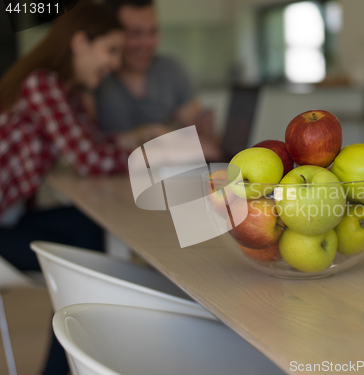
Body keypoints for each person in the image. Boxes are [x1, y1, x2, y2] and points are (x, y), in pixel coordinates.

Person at [0, 3, 169, 374]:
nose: (114, 63)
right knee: (86, 251)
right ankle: (76, 357)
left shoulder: (62, 91)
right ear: (80, 42)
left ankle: (74, 358)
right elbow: (91, 160)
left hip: (11, 218)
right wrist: (152, 153)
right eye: (110, 50)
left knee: (90, 230)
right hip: (3, 228)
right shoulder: (41, 84)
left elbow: (93, 145)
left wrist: (145, 139)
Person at [95, 0, 216, 140]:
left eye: (152, 32)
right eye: (135, 33)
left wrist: (202, 128)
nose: (146, 43)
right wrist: (147, 133)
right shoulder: (97, 78)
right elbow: (91, 145)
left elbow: (195, 125)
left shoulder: (171, 70)